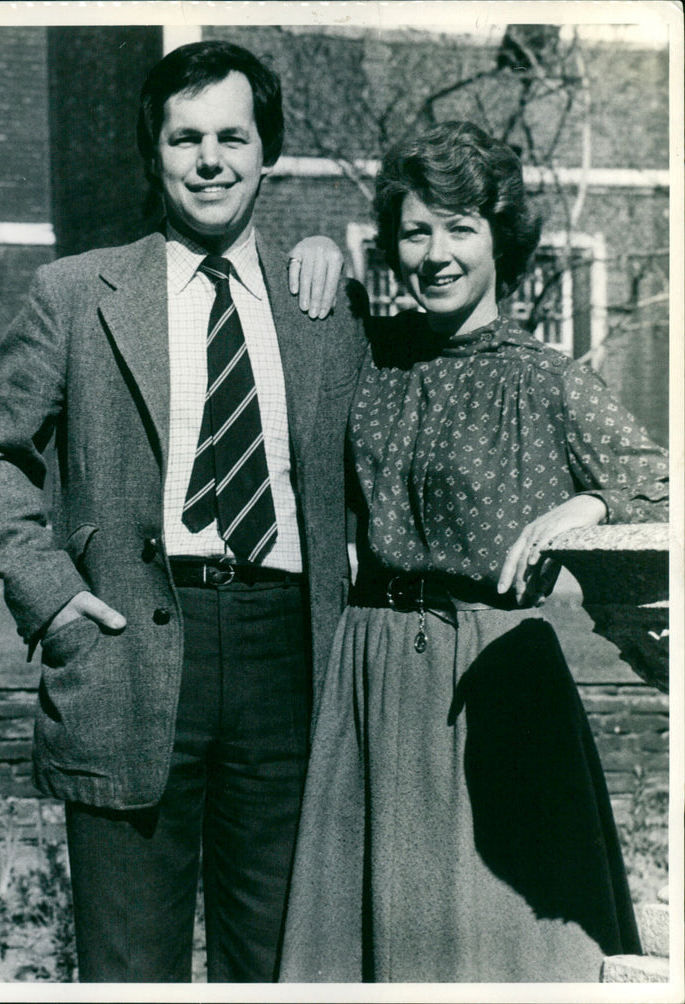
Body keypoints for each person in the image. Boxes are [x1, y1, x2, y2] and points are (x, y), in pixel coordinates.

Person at [0, 40, 361, 983]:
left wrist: (330, 247)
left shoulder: (326, 307)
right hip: (127, 650)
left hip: (288, 660)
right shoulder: (76, 294)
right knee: (129, 969)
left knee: (282, 965)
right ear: (155, 153)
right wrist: (52, 596)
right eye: (186, 139)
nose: (210, 159)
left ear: (267, 153)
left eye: (231, 136)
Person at [278, 121, 669, 983]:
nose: (437, 254)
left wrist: (586, 503)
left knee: (495, 948)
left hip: (496, 681)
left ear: (502, 239)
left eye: (461, 228)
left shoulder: (549, 377)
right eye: (416, 231)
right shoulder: (372, 356)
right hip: (369, 670)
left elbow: (661, 484)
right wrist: (309, 245)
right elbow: (289, 310)